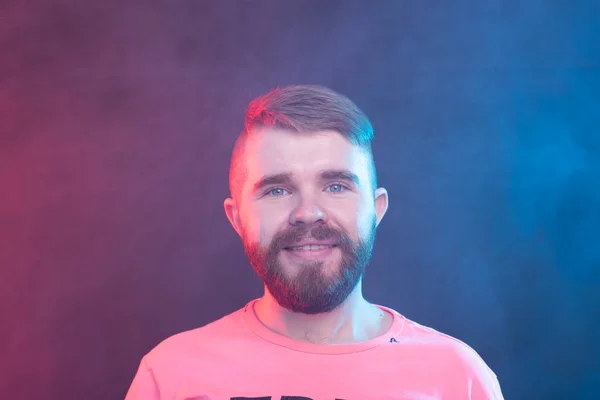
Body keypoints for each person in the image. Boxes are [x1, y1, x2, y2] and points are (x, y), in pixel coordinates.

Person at [125, 85, 504, 399]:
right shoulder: (171, 375)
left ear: (376, 209)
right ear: (237, 218)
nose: (308, 212)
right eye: (277, 190)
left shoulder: (458, 378)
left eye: (336, 185)